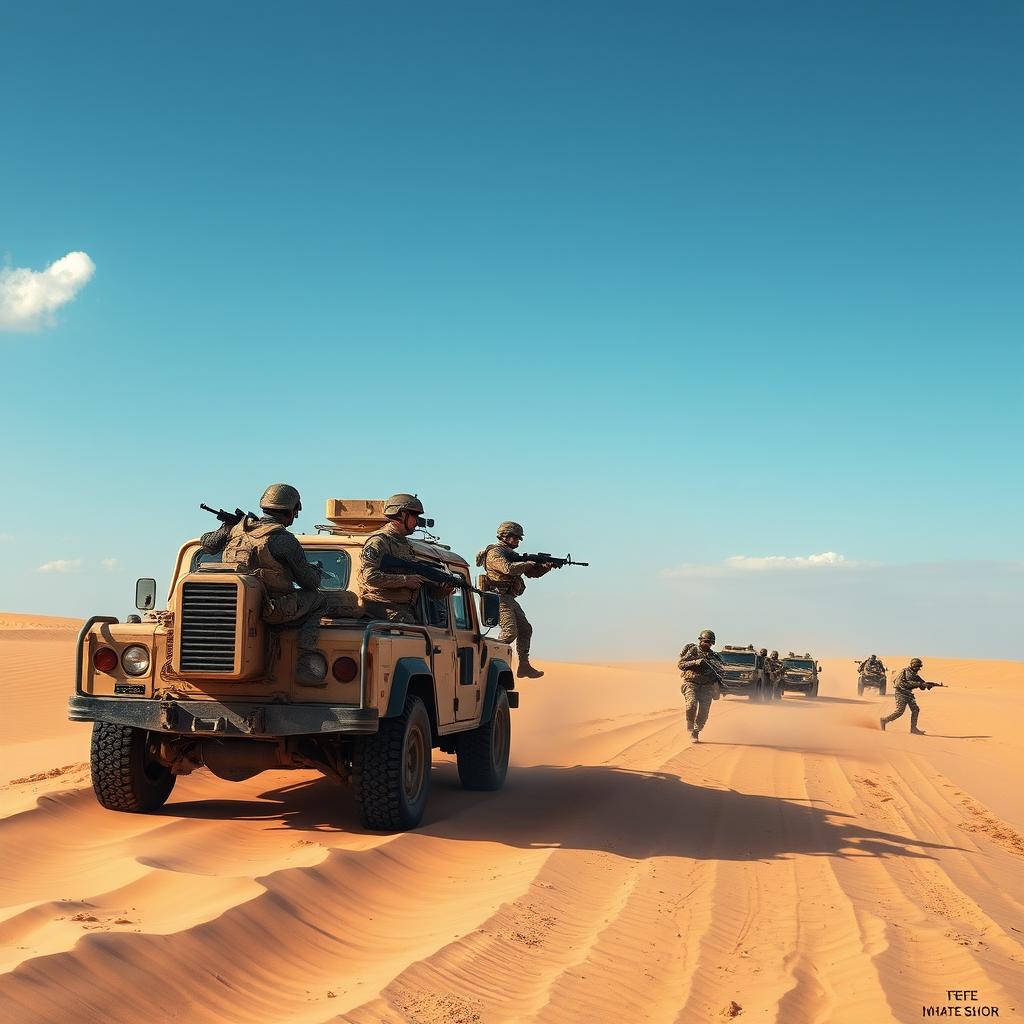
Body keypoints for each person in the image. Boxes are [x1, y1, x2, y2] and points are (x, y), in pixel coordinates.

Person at [200, 483, 355, 684]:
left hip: (229, 608)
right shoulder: (283, 540)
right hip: (270, 610)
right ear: (290, 511)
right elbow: (310, 583)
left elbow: (207, 544)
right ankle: (307, 661)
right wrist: (313, 570)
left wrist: (228, 527)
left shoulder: (236, 531)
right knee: (319, 600)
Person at [357, 493, 454, 624]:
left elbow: (417, 588)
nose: (417, 521)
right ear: (401, 514)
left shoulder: (405, 545)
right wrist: (405, 580)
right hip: (381, 610)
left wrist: (441, 592)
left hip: (404, 611)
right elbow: (370, 577)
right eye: (414, 515)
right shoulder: (379, 542)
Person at [476, 521, 552, 679]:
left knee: (525, 629)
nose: (518, 540)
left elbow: (531, 574)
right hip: (497, 597)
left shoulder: (510, 554)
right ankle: (485, 661)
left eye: (518, 538)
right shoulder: (495, 553)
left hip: (508, 598)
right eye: (515, 537)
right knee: (510, 632)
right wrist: (528, 563)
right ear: (505, 536)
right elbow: (508, 569)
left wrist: (544, 568)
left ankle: (524, 665)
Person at [677, 629, 725, 742]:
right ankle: (689, 723)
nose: (708, 644)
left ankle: (695, 733)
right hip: (691, 683)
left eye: (710, 642)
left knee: (703, 713)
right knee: (691, 705)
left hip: (707, 687)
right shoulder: (694, 651)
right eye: (706, 641)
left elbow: (721, 671)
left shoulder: (714, 656)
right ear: (700, 640)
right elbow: (681, 664)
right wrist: (696, 662)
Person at [880, 657, 933, 734]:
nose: (918, 668)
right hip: (900, 693)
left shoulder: (914, 674)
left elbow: (922, 685)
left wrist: (928, 685)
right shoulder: (907, 672)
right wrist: (920, 684)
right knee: (900, 711)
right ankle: (884, 720)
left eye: (919, 666)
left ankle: (913, 729)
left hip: (908, 694)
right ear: (912, 665)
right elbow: (908, 683)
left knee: (915, 710)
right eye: (917, 666)